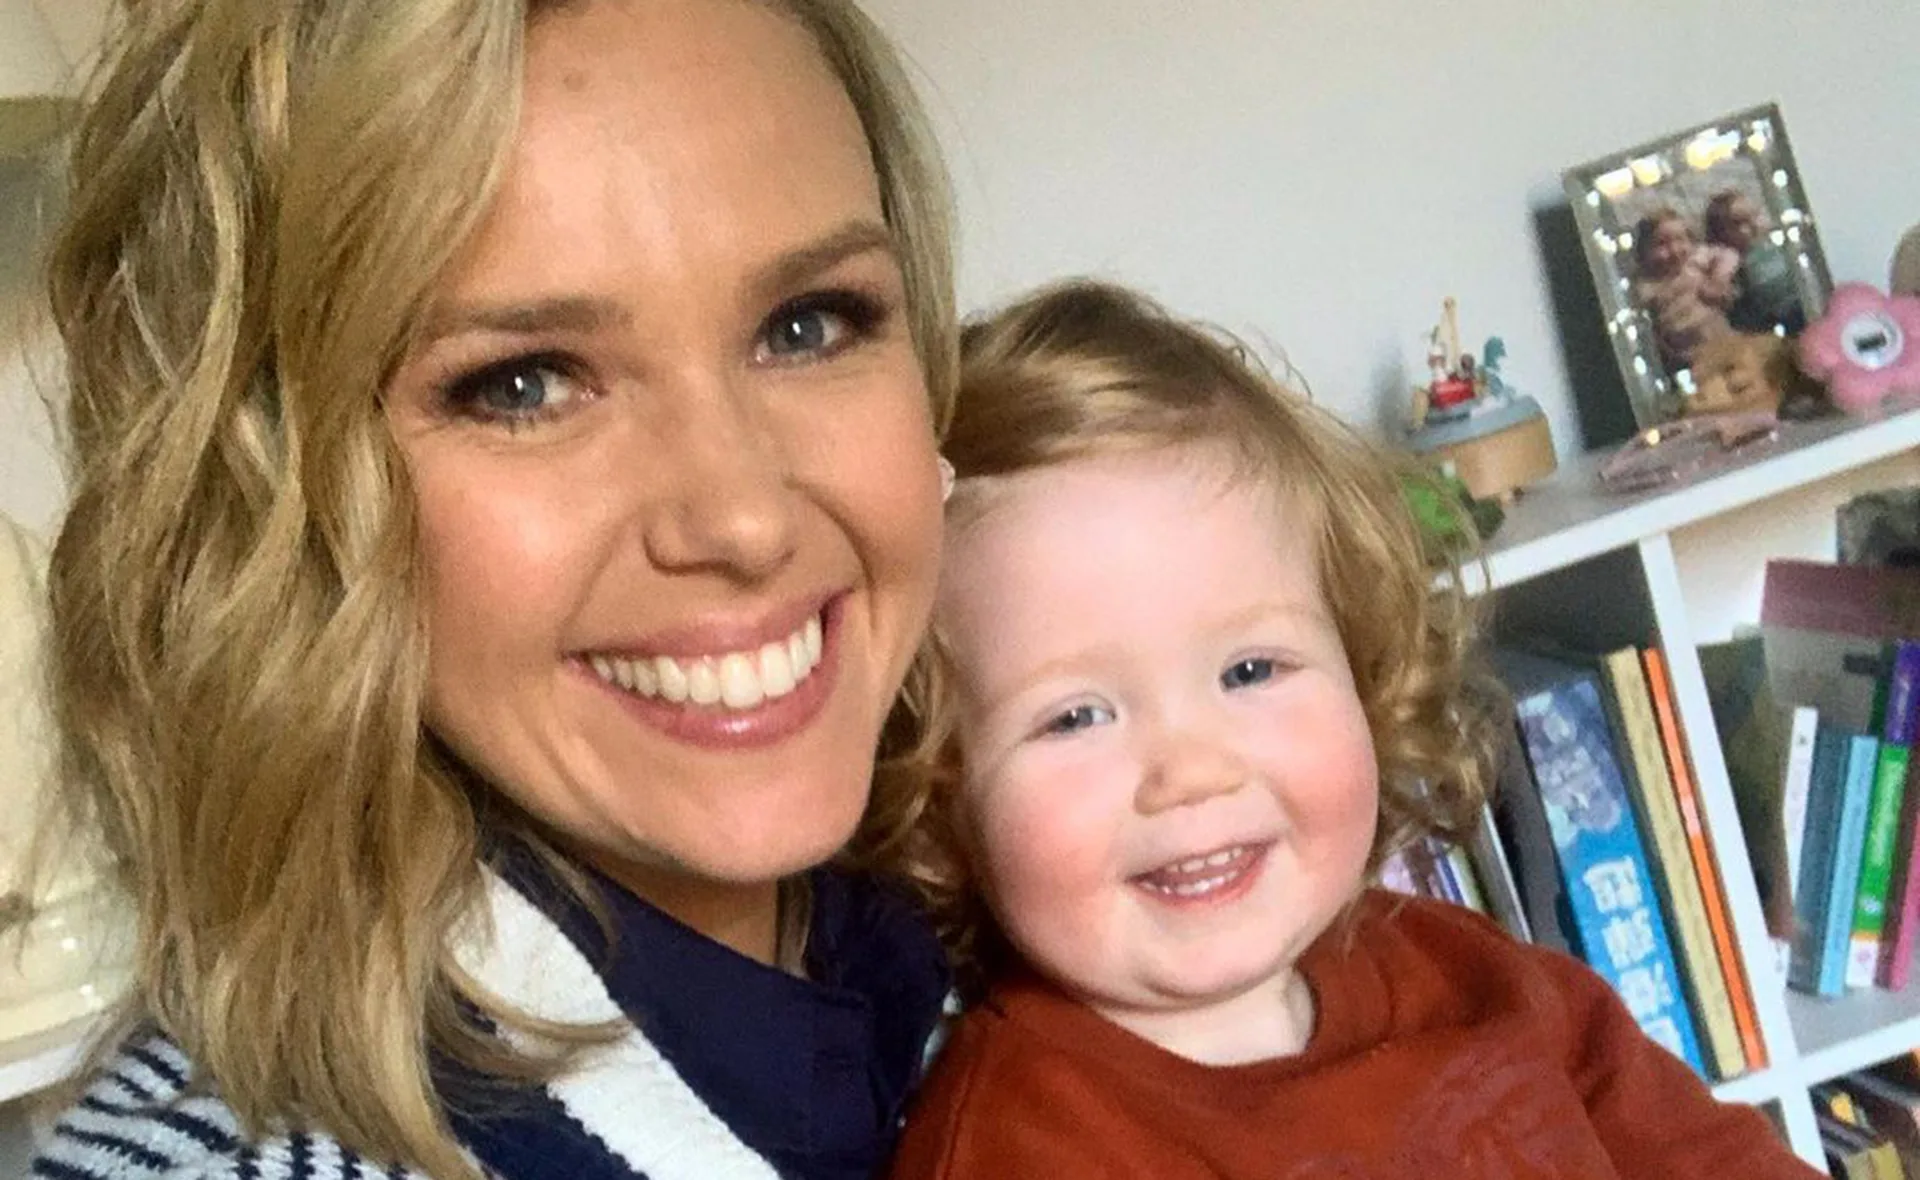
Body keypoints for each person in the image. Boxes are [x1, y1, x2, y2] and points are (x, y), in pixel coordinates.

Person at [27, 1, 960, 1177]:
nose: (745, 517)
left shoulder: (983, 914)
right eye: (521, 385)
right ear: (268, 502)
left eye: (809, 323)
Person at [887, 280, 1824, 1178]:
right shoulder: (1018, 1146)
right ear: (942, 793)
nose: (1192, 770)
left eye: (1250, 670)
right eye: (1074, 716)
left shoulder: (1467, 972)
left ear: (1362, 670)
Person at [1633, 206, 1739, 371]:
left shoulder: (1694, 262)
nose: (1675, 251)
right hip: (1690, 360)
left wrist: (1718, 280)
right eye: (1661, 244)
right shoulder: (1648, 287)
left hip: (1726, 341)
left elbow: (1730, 255)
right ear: (1644, 252)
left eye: (1680, 240)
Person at [1704, 189, 1806, 337]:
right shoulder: (1731, 262)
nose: (1753, 224)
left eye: (1755, 215)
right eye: (1739, 223)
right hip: (1781, 325)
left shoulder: (1778, 242)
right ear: (1722, 234)